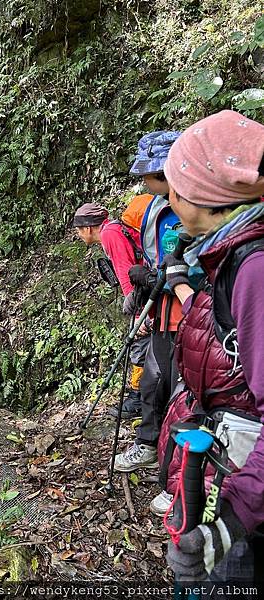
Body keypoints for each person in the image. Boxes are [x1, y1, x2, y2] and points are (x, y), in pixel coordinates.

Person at [156, 110, 264, 584]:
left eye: (173, 187)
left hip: (249, 488)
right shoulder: (233, 252)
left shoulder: (254, 268)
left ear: (198, 194)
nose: (170, 198)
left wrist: (229, 523)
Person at [114, 131, 188, 495]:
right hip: (162, 310)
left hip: (193, 315)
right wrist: (144, 282)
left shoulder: (197, 205)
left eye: (148, 174)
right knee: (153, 382)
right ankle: (149, 446)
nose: (143, 181)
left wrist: (160, 277)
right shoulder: (156, 206)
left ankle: (179, 476)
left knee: (183, 393)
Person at [73, 201, 149, 419]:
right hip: (147, 294)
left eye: (79, 230)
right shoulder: (113, 230)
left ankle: (138, 399)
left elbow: (128, 274)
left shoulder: (110, 235)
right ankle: (141, 396)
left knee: (138, 345)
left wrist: (138, 315)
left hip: (145, 299)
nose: (79, 234)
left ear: (88, 228)